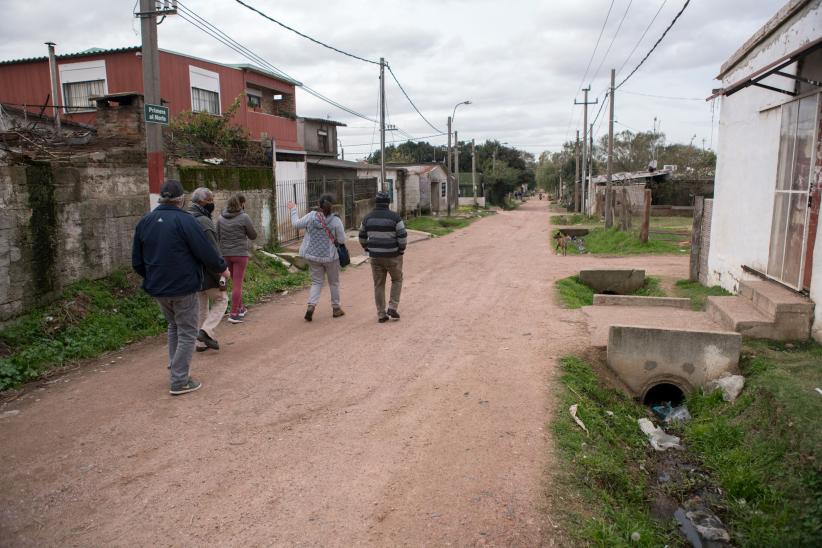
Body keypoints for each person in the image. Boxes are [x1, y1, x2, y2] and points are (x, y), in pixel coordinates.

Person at [132, 180, 229, 396]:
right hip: (183, 286)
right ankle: (179, 381)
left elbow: (137, 261)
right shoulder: (185, 220)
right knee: (187, 331)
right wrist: (222, 268)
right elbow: (205, 251)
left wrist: (152, 278)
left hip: (158, 288)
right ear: (181, 199)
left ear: (161, 198)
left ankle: (175, 364)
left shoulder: (145, 221)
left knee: (174, 326)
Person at [287, 194, 346, 321]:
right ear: (333, 205)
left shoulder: (311, 216)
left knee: (316, 282)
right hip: (330, 257)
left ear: (319, 204)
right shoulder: (336, 221)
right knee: (334, 283)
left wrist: (293, 209)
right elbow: (341, 240)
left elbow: (296, 224)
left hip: (312, 256)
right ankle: (336, 308)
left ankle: (311, 306)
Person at [186, 187, 228, 352]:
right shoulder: (204, 222)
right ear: (202, 202)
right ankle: (206, 331)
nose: (213, 203)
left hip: (191, 272)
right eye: (210, 200)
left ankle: (200, 342)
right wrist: (222, 271)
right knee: (221, 299)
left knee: (201, 307)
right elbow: (213, 250)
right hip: (207, 272)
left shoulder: (186, 218)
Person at [359, 191, 407, 323]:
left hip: (375, 256)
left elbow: (362, 236)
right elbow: (402, 237)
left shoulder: (367, 218)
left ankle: (381, 314)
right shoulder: (395, 217)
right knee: (397, 280)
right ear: (388, 202)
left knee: (379, 284)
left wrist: (367, 248)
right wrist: (401, 250)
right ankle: (392, 306)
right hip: (393, 255)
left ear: (376, 202)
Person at [217, 194, 257, 324]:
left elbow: (217, 236)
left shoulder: (220, 218)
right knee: (237, 284)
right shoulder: (244, 217)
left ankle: (240, 308)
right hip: (240, 254)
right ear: (241, 204)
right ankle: (233, 314)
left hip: (225, 254)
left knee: (235, 282)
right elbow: (253, 235)